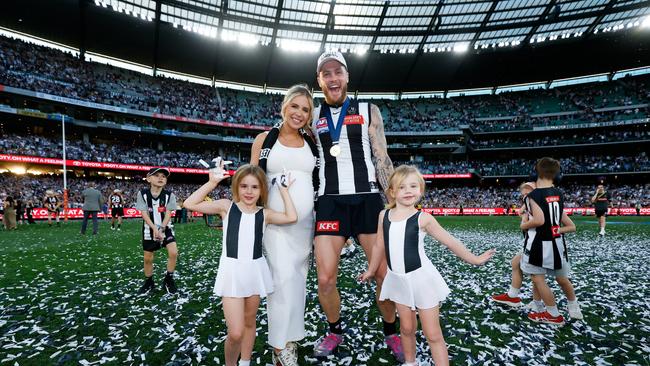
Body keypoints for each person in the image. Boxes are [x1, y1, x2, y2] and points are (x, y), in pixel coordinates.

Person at [310, 51, 403, 362]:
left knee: (381, 273)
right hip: (329, 201)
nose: (333, 78)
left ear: (347, 77)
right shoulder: (311, 115)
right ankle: (334, 329)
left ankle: (391, 332)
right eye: (326, 73)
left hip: (367, 198)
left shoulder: (368, 109)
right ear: (319, 80)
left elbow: (382, 156)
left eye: (338, 72)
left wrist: (394, 202)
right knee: (325, 278)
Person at [359, 165, 495, 366]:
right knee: (406, 329)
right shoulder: (383, 216)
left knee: (432, 334)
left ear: (421, 190)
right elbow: (379, 244)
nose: (408, 191)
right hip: (398, 280)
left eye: (413, 186)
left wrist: (474, 259)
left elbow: (450, 241)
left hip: (421, 280)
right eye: (402, 187)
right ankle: (410, 362)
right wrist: (371, 270)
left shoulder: (423, 219)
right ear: (392, 192)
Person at [183, 162, 298, 366]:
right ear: (236, 186)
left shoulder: (265, 213)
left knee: (249, 322)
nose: (249, 191)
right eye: (244, 186)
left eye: (255, 187)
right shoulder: (226, 207)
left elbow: (291, 217)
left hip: (255, 271)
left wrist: (284, 190)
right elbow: (189, 204)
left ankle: (245, 362)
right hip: (232, 272)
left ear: (262, 189)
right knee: (235, 332)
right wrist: (211, 183)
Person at [250, 84, 319, 366]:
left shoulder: (312, 141)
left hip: (305, 225)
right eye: (295, 106)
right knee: (281, 279)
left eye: (305, 109)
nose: (299, 113)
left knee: (298, 279)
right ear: (284, 106)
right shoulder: (265, 139)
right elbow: (251, 178)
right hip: (274, 221)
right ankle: (279, 346)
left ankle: (291, 338)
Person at [490, 182, 583, 320]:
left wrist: (553, 230)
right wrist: (526, 211)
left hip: (552, 247)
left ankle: (571, 306)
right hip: (537, 246)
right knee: (524, 268)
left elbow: (570, 226)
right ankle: (526, 300)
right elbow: (523, 212)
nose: (525, 198)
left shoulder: (551, 207)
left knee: (560, 278)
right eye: (523, 196)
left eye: (528, 194)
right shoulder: (531, 207)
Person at [520, 157, 577, 325]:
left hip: (539, 243)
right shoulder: (558, 193)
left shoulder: (533, 195)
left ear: (537, 171)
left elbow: (539, 220)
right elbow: (557, 219)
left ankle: (553, 314)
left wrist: (524, 224)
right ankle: (571, 307)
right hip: (556, 243)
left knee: (538, 279)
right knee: (560, 277)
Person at [136, 167, 178, 294]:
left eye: (164, 176)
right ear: (148, 178)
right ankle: (149, 282)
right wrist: (155, 229)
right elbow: (144, 213)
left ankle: (168, 279)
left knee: (174, 252)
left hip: (166, 228)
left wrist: (161, 229)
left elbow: (168, 213)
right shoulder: (142, 194)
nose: (161, 178)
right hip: (149, 229)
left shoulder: (169, 195)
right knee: (148, 258)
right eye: (157, 175)